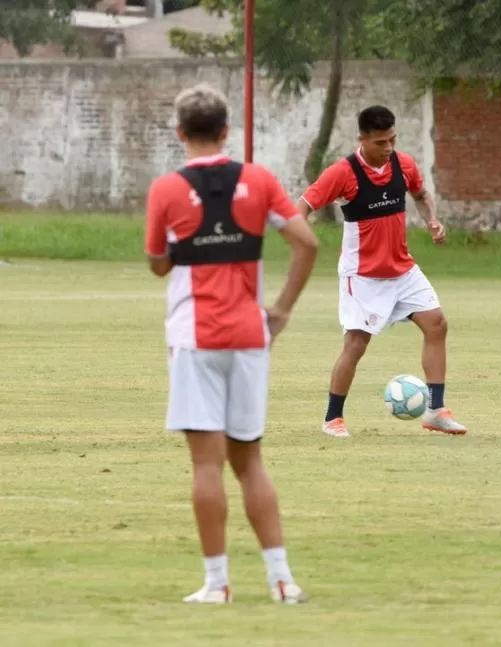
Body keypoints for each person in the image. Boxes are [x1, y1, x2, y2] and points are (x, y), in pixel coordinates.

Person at [145, 83, 318, 604]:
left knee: (206, 465)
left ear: (180, 133)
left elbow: (157, 264)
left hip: (194, 338)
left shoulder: (167, 189)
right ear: (226, 131)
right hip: (249, 337)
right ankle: (282, 581)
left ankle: (217, 585)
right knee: (251, 462)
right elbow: (306, 243)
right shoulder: (259, 179)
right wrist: (282, 308)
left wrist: (184, 246)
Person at [299, 105, 467, 438]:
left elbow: (420, 194)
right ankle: (333, 419)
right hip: (362, 275)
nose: (388, 148)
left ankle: (435, 411)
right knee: (356, 344)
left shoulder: (403, 164)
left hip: (402, 269)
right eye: (380, 142)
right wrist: (299, 238)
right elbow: (302, 206)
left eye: (392, 140)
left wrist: (431, 219)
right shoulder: (342, 173)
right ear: (362, 139)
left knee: (437, 324)